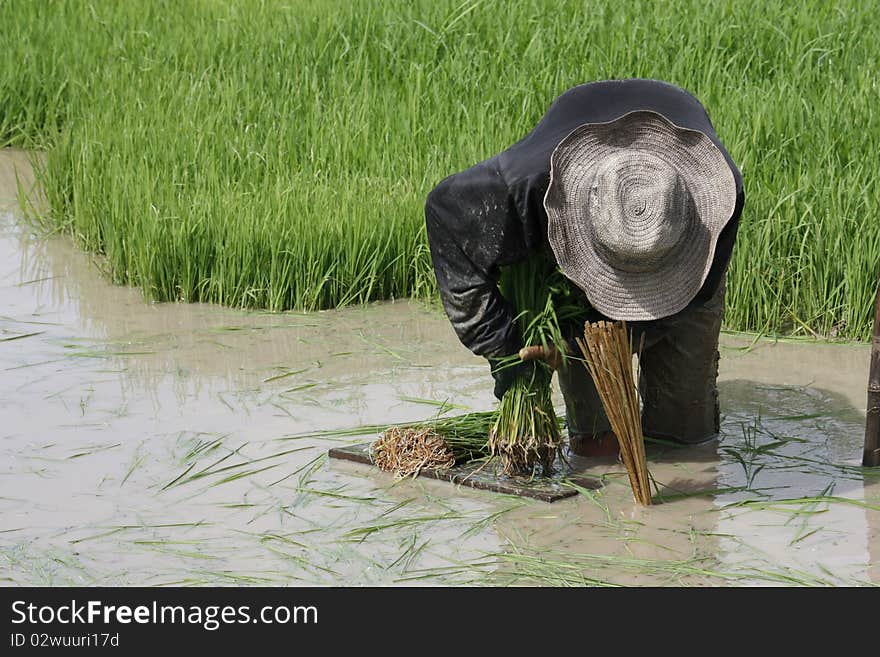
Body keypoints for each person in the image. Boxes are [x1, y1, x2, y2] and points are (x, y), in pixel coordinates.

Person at [424, 79, 744, 457]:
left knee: (686, 435)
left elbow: (696, 297)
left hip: (681, 259)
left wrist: (630, 334)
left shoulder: (718, 199)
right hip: (578, 285)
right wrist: (508, 349)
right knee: (595, 441)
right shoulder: (521, 188)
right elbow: (444, 220)